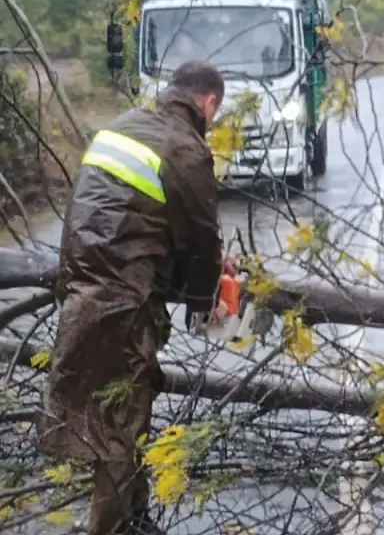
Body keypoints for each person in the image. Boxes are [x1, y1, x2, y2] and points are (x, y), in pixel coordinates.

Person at [38, 61, 232, 534]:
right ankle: (112, 529)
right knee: (118, 430)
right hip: (121, 301)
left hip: (85, 285)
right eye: (216, 112)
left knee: (126, 407)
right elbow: (199, 237)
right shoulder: (185, 147)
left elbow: (119, 216)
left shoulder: (120, 127)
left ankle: (136, 520)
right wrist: (208, 298)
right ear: (208, 103)